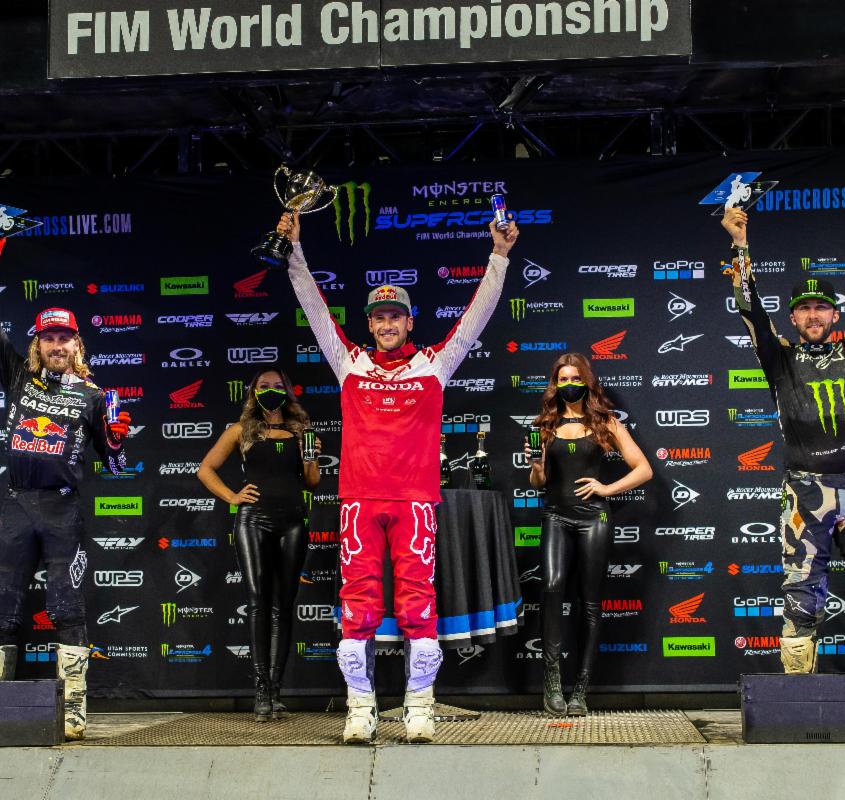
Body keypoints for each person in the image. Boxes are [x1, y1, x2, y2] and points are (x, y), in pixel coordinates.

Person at [279, 209, 518, 743]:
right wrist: (294, 251)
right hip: (360, 503)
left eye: (395, 316)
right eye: (379, 318)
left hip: (414, 503)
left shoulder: (434, 364)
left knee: (418, 609)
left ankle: (419, 707)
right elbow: (313, 307)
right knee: (357, 610)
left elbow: (476, 316)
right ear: (369, 324)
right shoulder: (349, 363)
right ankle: (359, 709)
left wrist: (499, 257)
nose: (387, 324)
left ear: (410, 322)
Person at [720, 191, 845, 674]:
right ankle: (797, 704)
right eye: (804, 308)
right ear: (792, 317)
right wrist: (740, 245)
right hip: (805, 491)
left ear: (835, 315)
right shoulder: (779, 359)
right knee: (800, 602)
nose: (813, 315)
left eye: (822, 308)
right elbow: (750, 310)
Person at [0, 231, 132, 740]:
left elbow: (115, 464)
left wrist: (116, 439)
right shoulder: (19, 376)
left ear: (77, 344)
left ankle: (74, 709)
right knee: (1, 609)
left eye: (65, 338)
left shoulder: (95, 396)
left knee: (67, 608)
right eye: (49, 338)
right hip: (18, 505)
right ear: (37, 344)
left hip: (62, 510)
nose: (57, 345)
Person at [523, 353, 651, 716]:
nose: (569, 384)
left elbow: (644, 469)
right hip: (555, 515)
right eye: (562, 379)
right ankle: (552, 683)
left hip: (595, 518)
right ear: (555, 384)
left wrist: (606, 489)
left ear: (586, 381)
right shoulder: (544, 424)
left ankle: (580, 689)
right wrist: (536, 465)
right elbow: (538, 483)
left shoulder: (605, 421)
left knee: (590, 602)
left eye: (575, 378)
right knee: (552, 586)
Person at [197, 368, 321, 721]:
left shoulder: (302, 431)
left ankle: (276, 691)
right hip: (254, 521)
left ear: (287, 391)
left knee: (284, 605)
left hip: (293, 522)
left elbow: (312, 482)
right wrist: (232, 497)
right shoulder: (240, 430)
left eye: (277, 386)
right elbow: (205, 469)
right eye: (264, 386)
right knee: (258, 602)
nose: (271, 391)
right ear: (253, 392)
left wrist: (310, 457)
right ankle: (261, 690)